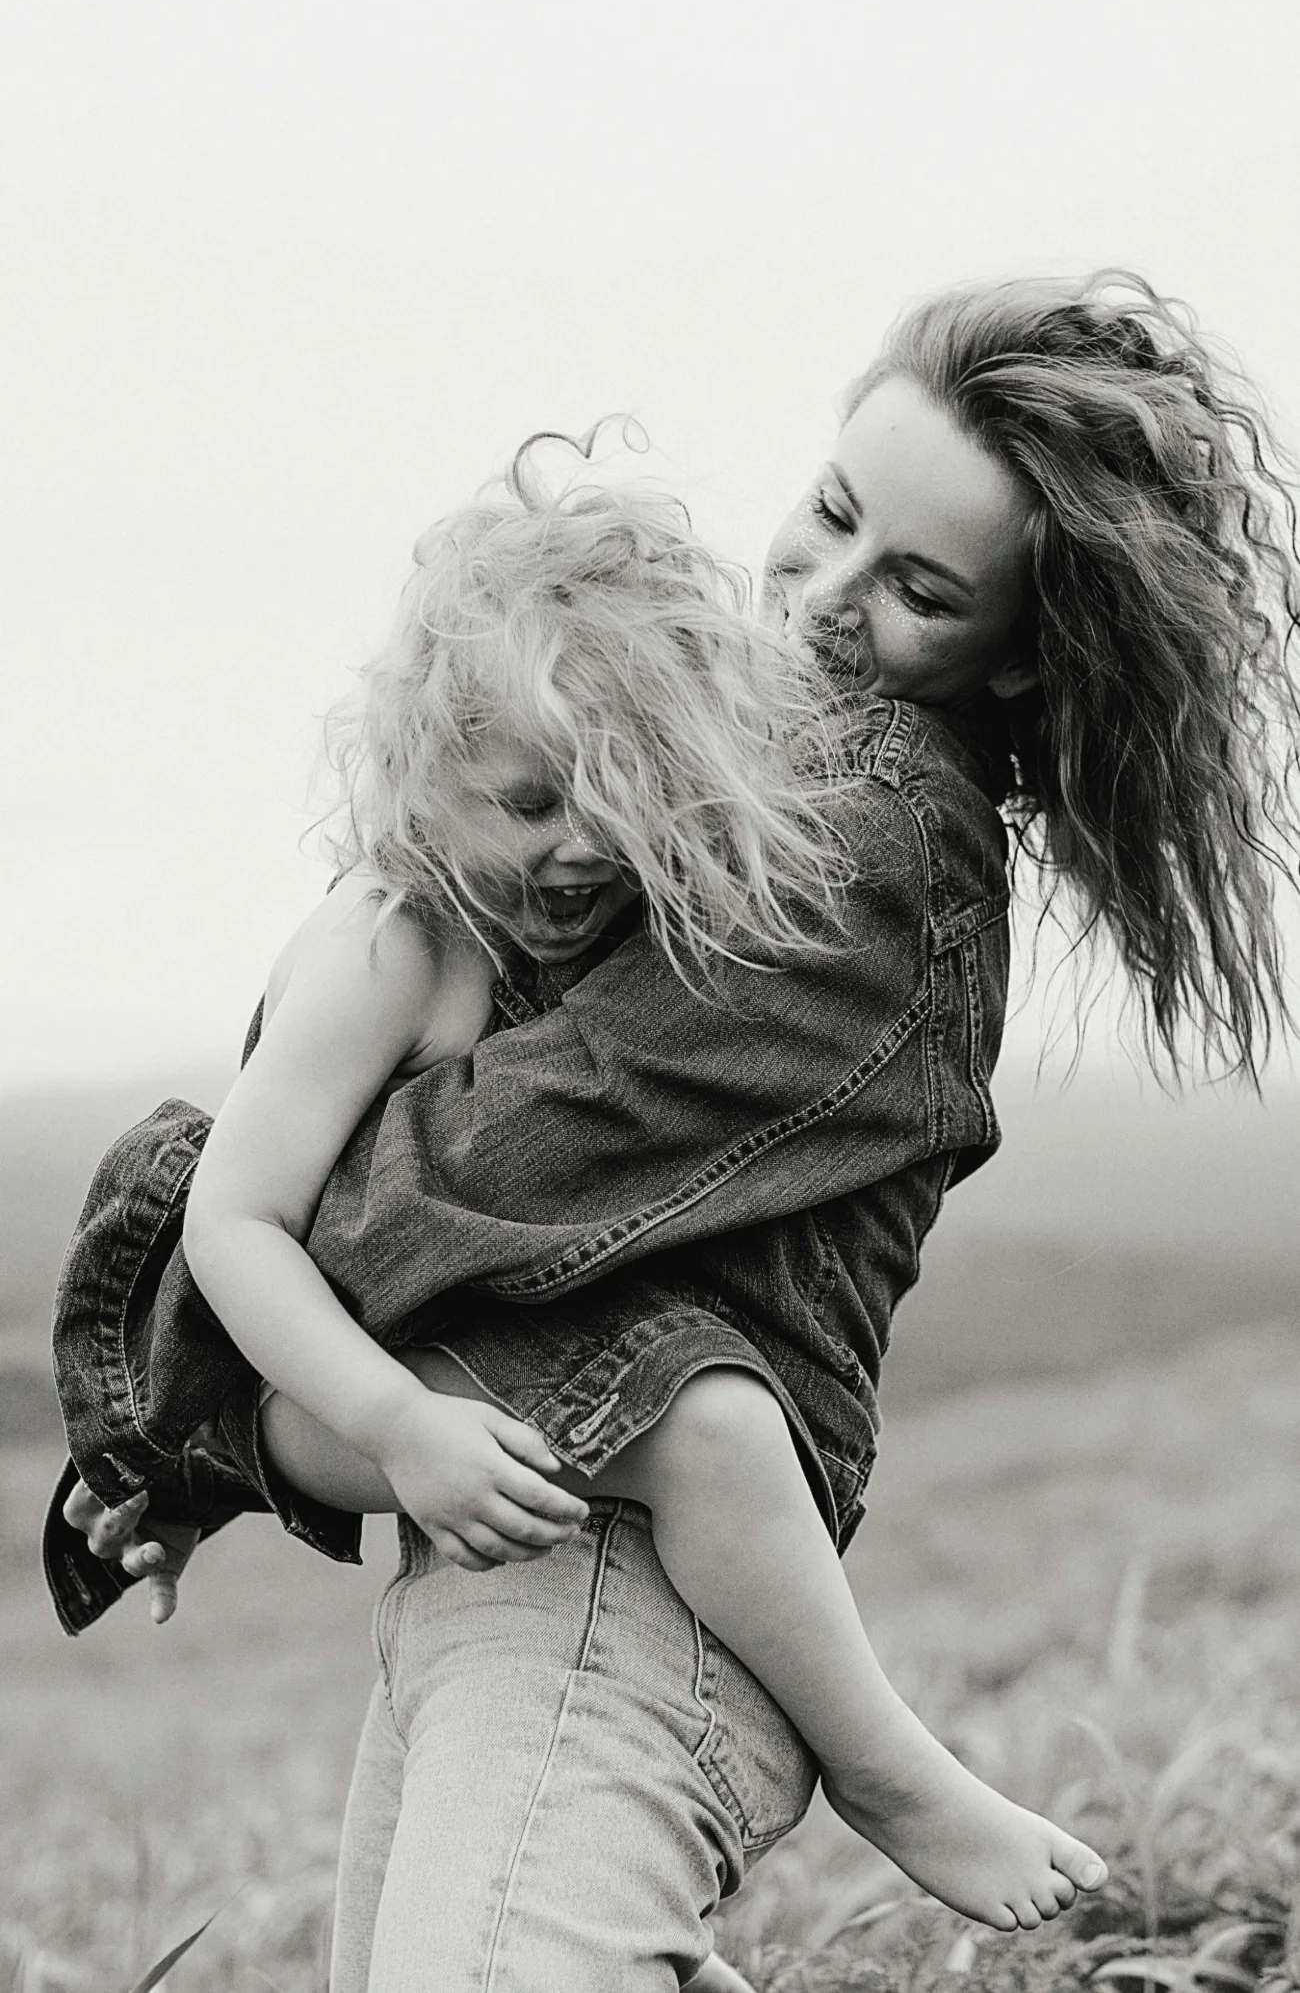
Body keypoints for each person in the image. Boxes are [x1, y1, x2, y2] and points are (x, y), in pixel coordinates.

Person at [56, 274, 1300, 1992]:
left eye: (922, 591)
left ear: (1021, 650)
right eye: (834, 515)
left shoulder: (866, 843)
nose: (826, 599)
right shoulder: (695, 771)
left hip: (623, 1591)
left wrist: (223, 1406)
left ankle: (897, 1774)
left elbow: (423, 1210)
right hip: (508, 1552)